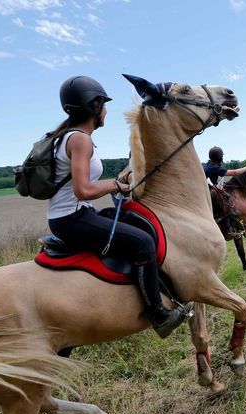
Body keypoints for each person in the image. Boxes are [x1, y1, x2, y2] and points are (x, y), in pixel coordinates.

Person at [46, 76, 191, 339]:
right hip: (72, 219)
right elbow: (83, 190)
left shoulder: (68, 137)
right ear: (94, 106)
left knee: (129, 220)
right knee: (143, 242)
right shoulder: (80, 140)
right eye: (103, 104)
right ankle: (158, 314)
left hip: (74, 214)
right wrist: (115, 186)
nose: (106, 111)